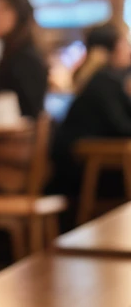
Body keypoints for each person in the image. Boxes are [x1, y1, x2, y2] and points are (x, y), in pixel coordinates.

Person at [51, 23, 131, 196]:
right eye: (125, 42)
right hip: (84, 171)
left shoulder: (104, 79)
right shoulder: (104, 81)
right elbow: (123, 127)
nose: (129, 49)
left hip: (90, 165)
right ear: (114, 48)